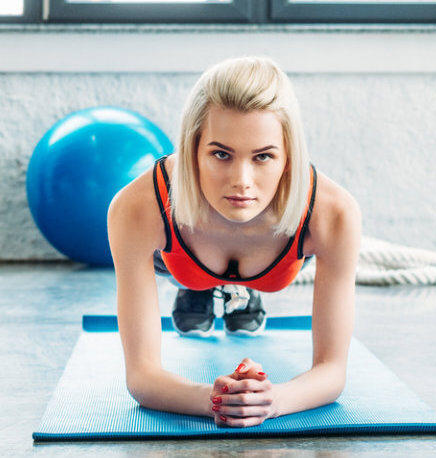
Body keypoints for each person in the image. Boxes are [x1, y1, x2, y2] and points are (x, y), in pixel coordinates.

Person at [106, 56, 363, 427]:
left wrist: (274, 401)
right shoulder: (137, 208)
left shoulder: (333, 214)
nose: (241, 181)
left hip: (278, 260)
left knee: (241, 279)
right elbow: (142, 377)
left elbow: (332, 371)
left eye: (263, 157)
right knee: (195, 278)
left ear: (288, 157)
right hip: (182, 260)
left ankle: (238, 289)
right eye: (221, 154)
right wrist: (216, 400)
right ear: (192, 149)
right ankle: (200, 287)